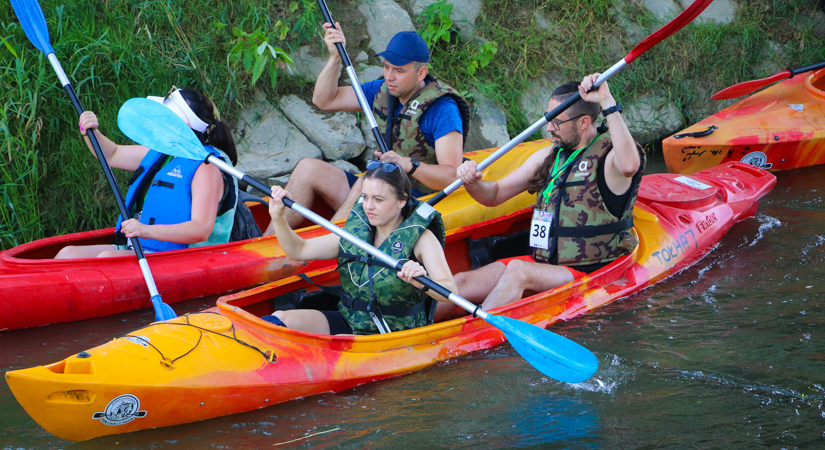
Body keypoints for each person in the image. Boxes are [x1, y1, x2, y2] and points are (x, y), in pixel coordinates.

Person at [436, 74, 644, 318]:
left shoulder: (609, 158)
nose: (548, 128)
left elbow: (630, 165)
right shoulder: (550, 156)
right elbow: (494, 194)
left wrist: (607, 100)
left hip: (590, 269)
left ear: (584, 122)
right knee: (460, 282)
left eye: (557, 122)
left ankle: (472, 338)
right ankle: (407, 333)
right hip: (544, 263)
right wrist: (472, 182)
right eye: (549, 120)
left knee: (518, 270)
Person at [264, 26, 470, 233]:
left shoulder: (443, 109)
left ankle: (327, 248)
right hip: (383, 194)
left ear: (421, 73)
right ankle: (266, 245)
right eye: (387, 67)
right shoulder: (382, 90)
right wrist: (335, 58)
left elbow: (452, 176)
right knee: (309, 168)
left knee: (370, 180)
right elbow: (324, 99)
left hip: (420, 202)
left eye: (399, 70)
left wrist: (406, 164)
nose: (389, 76)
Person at [264, 161, 457, 336]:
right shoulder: (356, 232)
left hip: (392, 334)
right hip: (350, 321)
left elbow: (450, 290)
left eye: (378, 200)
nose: (368, 206)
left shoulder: (422, 239)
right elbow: (299, 250)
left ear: (401, 200)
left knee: (341, 341)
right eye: (365, 197)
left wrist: (422, 281)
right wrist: (278, 218)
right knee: (281, 319)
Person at [55, 87, 239, 258]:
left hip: (184, 258)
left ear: (179, 126)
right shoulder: (166, 152)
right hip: (145, 247)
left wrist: (146, 230)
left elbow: (200, 229)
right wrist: (91, 133)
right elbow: (112, 155)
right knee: (67, 254)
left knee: (107, 259)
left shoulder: (208, 168)